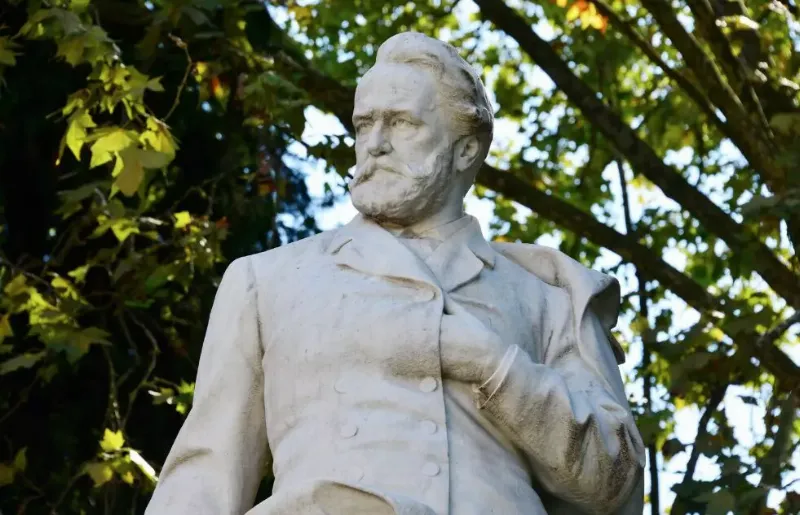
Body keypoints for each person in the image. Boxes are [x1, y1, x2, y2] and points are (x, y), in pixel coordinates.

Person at [145, 31, 645, 515]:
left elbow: (613, 486)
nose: (375, 144)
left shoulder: (546, 299)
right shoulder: (266, 281)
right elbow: (203, 479)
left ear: (465, 149)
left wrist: (493, 364)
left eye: (402, 123)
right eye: (365, 124)